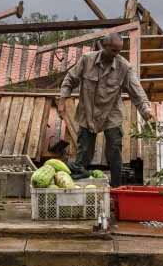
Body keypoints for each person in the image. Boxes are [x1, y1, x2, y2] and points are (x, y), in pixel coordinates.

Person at [58, 32, 154, 187]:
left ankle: (117, 189)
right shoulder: (86, 60)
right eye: (114, 50)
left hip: (111, 113)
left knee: (114, 151)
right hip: (87, 111)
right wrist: (62, 100)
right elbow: (70, 79)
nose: (117, 54)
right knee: (84, 152)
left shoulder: (124, 66)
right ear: (104, 46)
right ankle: (77, 186)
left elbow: (136, 90)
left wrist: (146, 109)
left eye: (119, 50)